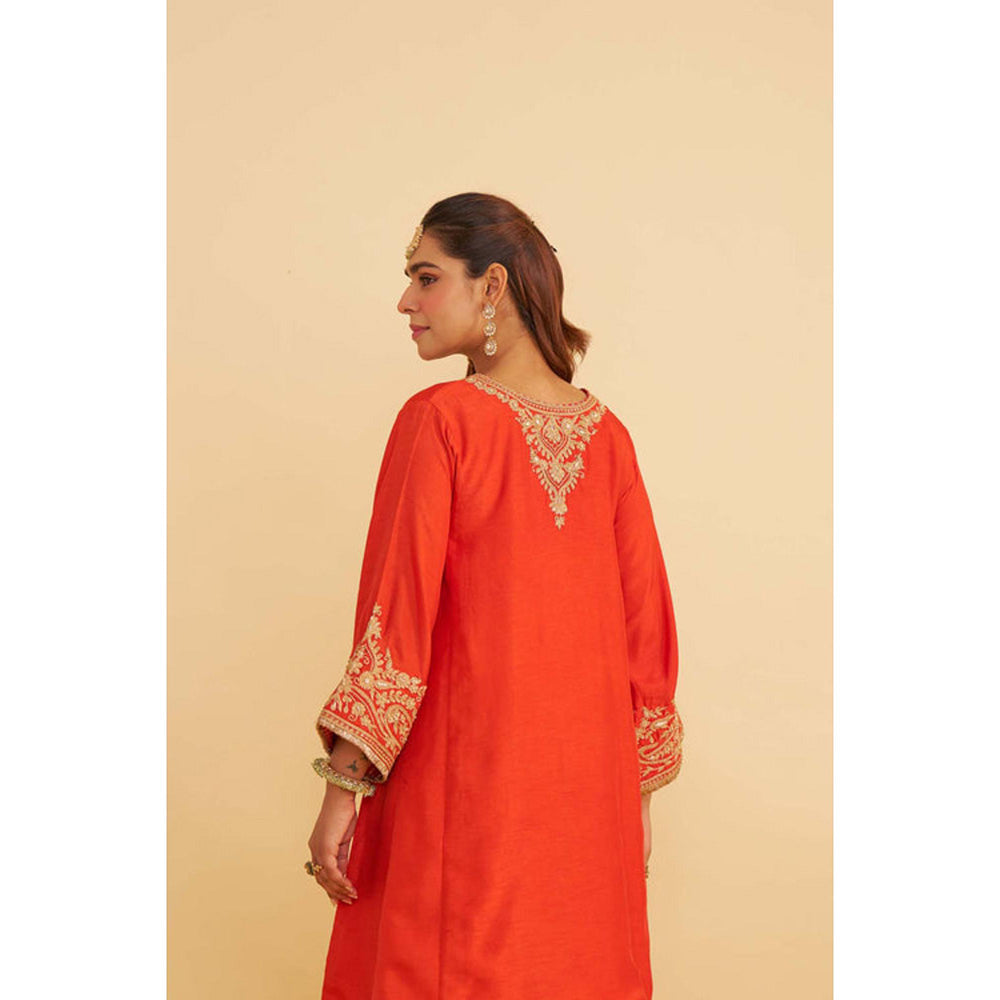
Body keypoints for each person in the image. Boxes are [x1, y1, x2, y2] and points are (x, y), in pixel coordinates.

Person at [305, 192, 684, 1000]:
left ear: (493, 286)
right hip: (588, 809)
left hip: (462, 798)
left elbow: (396, 620)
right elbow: (645, 637)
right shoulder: (610, 438)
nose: (405, 301)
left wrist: (344, 788)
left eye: (426, 277)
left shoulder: (440, 420)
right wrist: (635, 803)